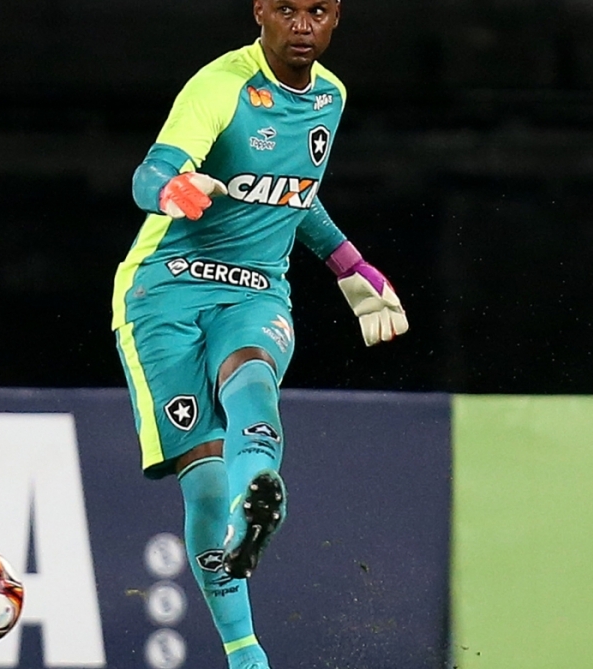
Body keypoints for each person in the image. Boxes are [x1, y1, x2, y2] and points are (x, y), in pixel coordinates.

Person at [111, 0, 408, 667]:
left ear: (337, 18)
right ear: (259, 12)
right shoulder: (219, 86)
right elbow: (149, 173)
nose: (302, 26)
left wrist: (348, 265)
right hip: (166, 289)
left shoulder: (329, 97)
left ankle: (254, 512)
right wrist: (175, 190)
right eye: (286, 10)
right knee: (205, 482)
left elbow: (294, 195)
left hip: (255, 286)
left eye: (318, 11)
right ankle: (246, 653)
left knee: (251, 376)